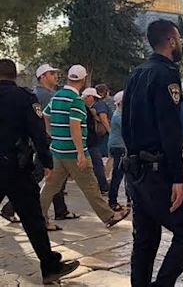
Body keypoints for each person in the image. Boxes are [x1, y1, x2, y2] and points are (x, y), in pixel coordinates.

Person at [122, 19, 183, 286]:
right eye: (178, 38)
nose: (180, 43)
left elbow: (126, 121)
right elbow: (169, 127)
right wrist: (178, 177)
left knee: (145, 239)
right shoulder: (166, 73)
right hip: (158, 170)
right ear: (170, 40)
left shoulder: (136, 73)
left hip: (135, 170)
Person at [0, 59, 80, 283]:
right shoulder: (25, 98)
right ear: (14, 75)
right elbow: (38, 134)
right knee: (33, 220)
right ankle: (50, 266)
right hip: (16, 168)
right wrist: (47, 162)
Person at [40, 65, 129, 231]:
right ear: (83, 80)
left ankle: (39, 219)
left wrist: (52, 133)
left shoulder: (57, 96)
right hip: (74, 153)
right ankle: (108, 216)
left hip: (57, 150)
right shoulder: (76, 101)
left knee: (50, 186)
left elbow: (46, 115)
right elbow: (75, 126)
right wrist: (80, 152)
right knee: (90, 186)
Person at [1, 63, 76, 223]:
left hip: (39, 142)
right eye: (51, 73)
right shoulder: (43, 96)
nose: (55, 76)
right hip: (45, 142)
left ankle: (60, 209)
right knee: (38, 176)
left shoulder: (44, 94)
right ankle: (12, 209)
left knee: (55, 176)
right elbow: (39, 122)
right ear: (42, 77)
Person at [82, 87, 110, 193]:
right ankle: (103, 187)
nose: (94, 100)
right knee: (97, 163)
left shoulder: (87, 108)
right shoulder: (96, 106)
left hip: (88, 140)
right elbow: (103, 119)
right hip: (90, 141)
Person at [108, 91, 130, 211]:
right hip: (119, 148)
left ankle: (129, 198)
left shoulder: (120, 114)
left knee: (126, 174)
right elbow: (129, 129)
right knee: (118, 175)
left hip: (120, 147)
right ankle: (112, 201)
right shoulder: (118, 116)